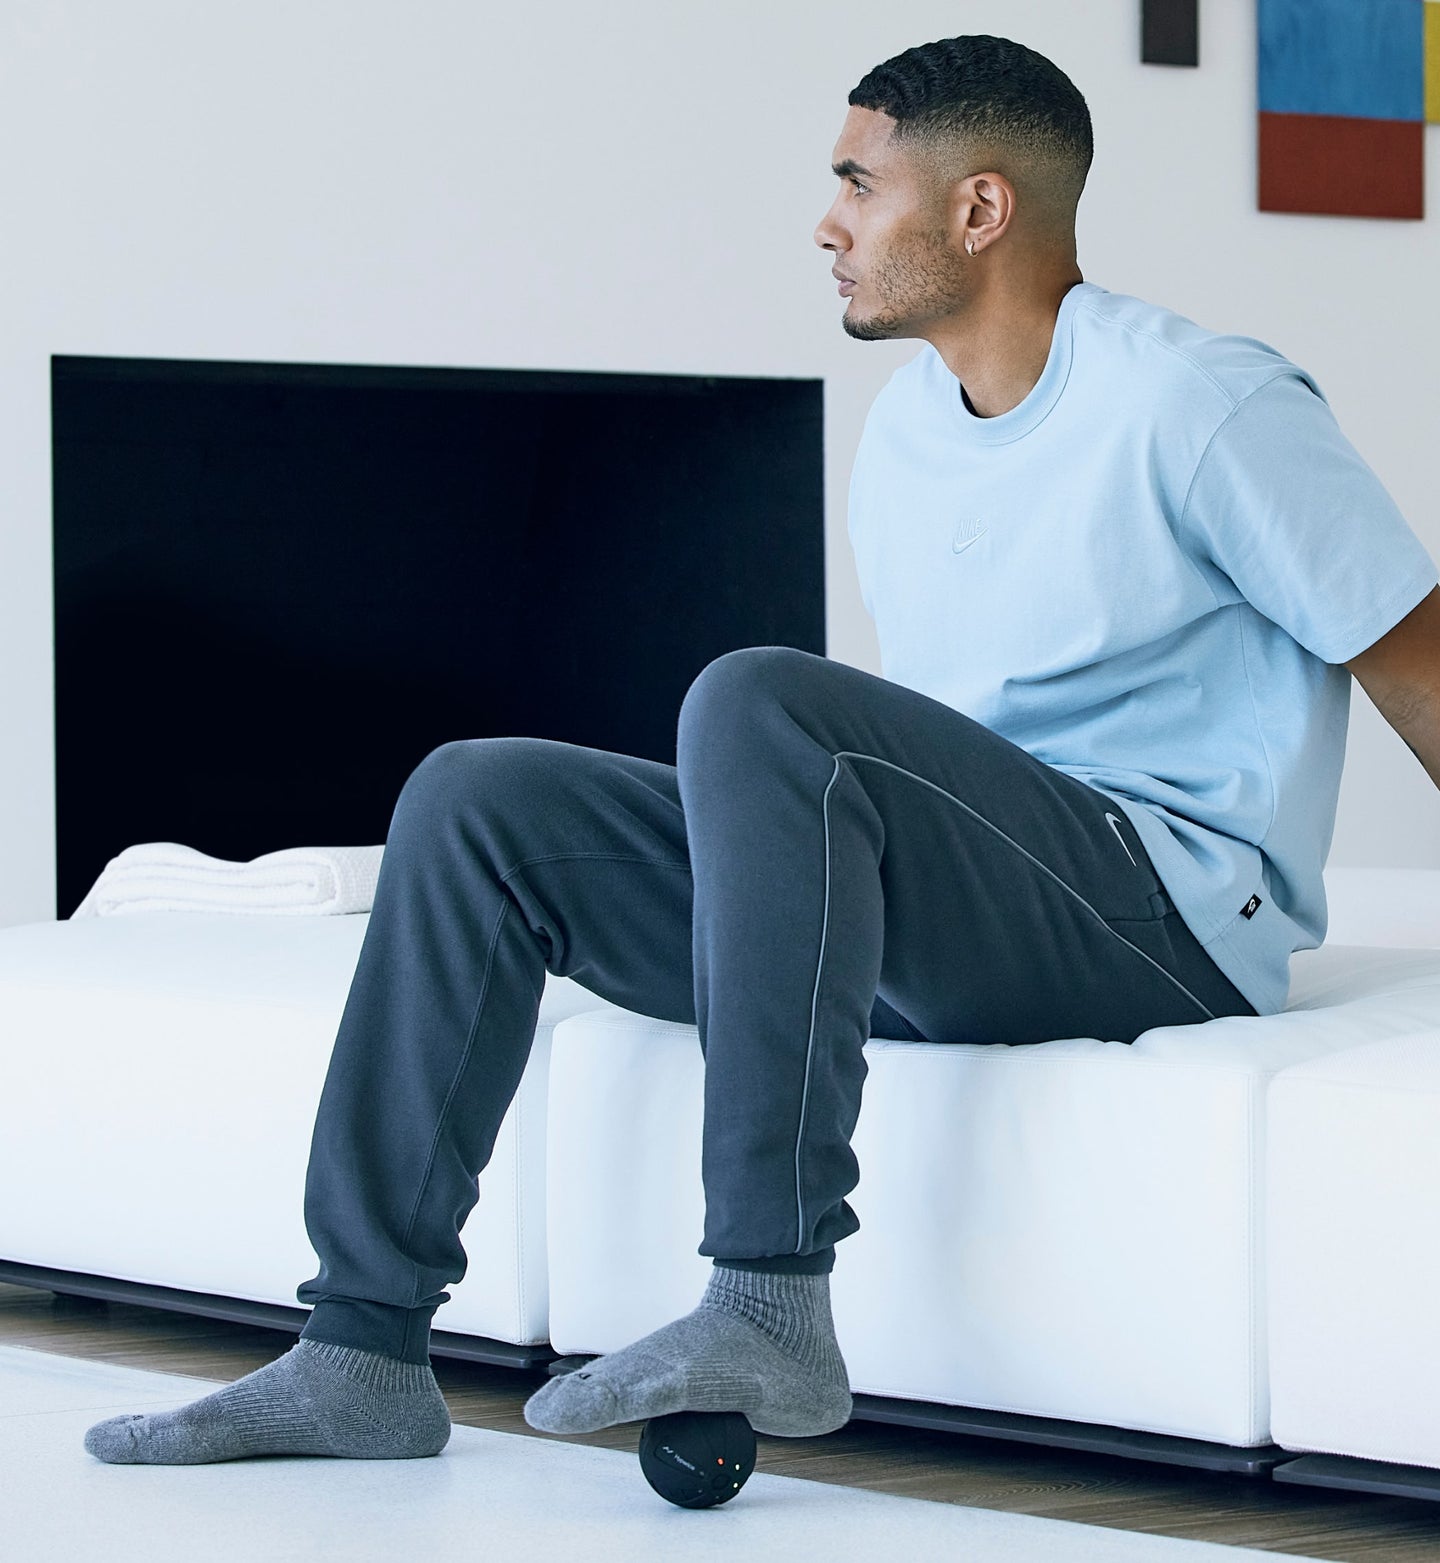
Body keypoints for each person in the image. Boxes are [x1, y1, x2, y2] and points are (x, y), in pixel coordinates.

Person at [84, 33, 1439, 1466]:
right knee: (480, 801)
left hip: (1164, 920)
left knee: (760, 700)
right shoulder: (908, 431)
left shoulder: (1203, 403)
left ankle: (768, 1298)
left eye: (858, 184)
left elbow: (1419, 666)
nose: (826, 224)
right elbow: (923, 772)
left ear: (980, 210)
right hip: (981, 910)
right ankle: (360, 1346)